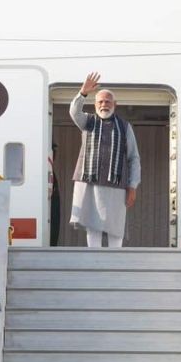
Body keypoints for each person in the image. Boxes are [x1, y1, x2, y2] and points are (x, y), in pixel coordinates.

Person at [69, 72, 141, 247]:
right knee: (93, 227)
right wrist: (83, 92)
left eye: (108, 102)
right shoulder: (87, 121)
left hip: (116, 185)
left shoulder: (125, 127)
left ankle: (115, 262)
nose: (104, 105)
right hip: (89, 183)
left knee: (115, 228)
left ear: (115, 104)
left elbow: (133, 158)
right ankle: (93, 261)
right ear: (95, 105)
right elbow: (74, 112)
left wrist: (132, 186)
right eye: (100, 102)